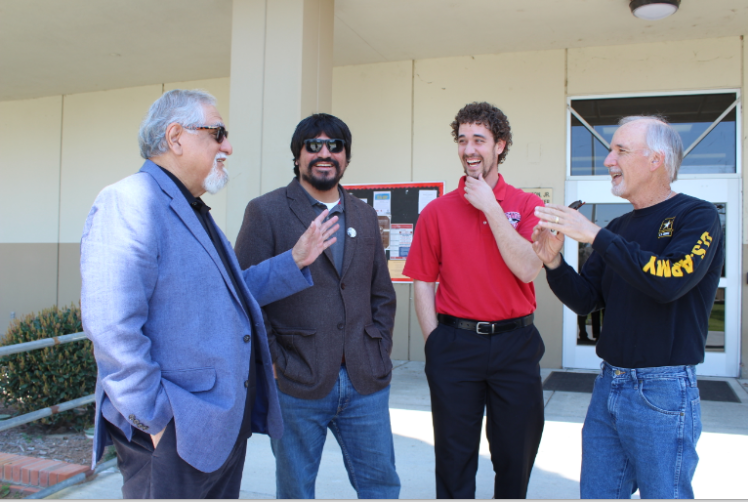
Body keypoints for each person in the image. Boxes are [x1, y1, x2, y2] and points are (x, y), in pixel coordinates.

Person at [80, 89, 339, 499]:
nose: (228, 146)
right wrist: (156, 421)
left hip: (213, 430)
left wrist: (294, 260)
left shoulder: (192, 209)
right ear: (176, 137)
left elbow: (231, 295)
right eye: (217, 133)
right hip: (174, 434)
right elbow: (111, 325)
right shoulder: (128, 201)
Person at [532, 116, 724, 499]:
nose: (607, 160)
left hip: (663, 392)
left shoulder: (697, 217)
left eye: (620, 150)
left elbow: (669, 280)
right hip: (609, 385)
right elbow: (587, 299)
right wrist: (553, 263)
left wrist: (594, 235)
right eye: (609, 150)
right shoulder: (618, 227)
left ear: (656, 160)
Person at [234, 113, 400, 499]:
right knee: (296, 491)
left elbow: (382, 294)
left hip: (365, 381)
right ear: (297, 156)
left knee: (382, 485)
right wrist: (275, 359)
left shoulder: (364, 214)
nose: (325, 153)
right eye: (314, 145)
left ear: (346, 157)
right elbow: (244, 296)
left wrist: (378, 350)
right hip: (296, 383)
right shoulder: (266, 211)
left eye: (335, 146)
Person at [403, 102, 546, 499]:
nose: (469, 149)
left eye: (479, 140)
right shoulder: (436, 212)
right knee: (453, 459)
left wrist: (490, 206)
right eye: (462, 140)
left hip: (515, 347)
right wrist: (435, 343)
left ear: (500, 146)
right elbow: (422, 281)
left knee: (516, 457)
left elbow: (528, 268)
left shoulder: (528, 205)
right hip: (455, 346)